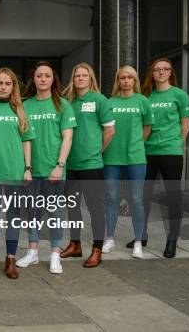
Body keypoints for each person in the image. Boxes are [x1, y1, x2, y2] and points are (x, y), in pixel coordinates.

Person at [16, 61, 76, 274]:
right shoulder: (26, 106)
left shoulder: (62, 105)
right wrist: (27, 167)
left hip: (54, 170)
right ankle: (32, 252)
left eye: (47, 76)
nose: (43, 79)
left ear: (53, 79)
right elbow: (25, 140)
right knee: (31, 212)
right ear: (34, 79)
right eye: (39, 75)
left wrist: (59, 165)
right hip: (33, 170)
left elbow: (67, 137)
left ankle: (54, 255)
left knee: (54, 212)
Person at [0, 67, 35, 279]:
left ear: (13, 87)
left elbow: (27, 142)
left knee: (14, 217)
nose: (3, 87)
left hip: (15, 172)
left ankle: (11, 258)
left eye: (7, 83)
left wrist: (28, 168)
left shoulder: (20, 110)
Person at [60, 63, 115, 267]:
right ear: (73, 79)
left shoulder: (100, 100)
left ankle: (97, 249)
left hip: (92, 165)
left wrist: (96, 151)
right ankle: (75, 245)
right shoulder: (67, 102)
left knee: (95, 209)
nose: (81, 78)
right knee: (72, 207)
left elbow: (110, 131)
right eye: (77, 75)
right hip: (70, 165)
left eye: (84, 75)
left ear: (91, 78)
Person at [141, 58, 189, 258]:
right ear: (152, 73)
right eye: (157, 69)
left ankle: (172, 238)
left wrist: (175, 143)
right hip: (147, 152)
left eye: (165, 69)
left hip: (170, 152)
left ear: (171, 73)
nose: (161, 72)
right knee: (143, 196)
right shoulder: (147, 96)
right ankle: (141, 234)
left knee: (173, 196)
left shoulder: (180, 95)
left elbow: (186, 125)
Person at [102, 65, 154, 259]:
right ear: (118, 81)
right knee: (112, 198)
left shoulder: (143, 101)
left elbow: (147, 129)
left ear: (134, 81)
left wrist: (135, 143)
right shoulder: (109, 102)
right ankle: (109, 238)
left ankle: (138, 242)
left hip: (136, 158)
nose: (125, 81)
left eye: (129, 78)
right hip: (112, 158)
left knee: (136, 199)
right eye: (122, 78)